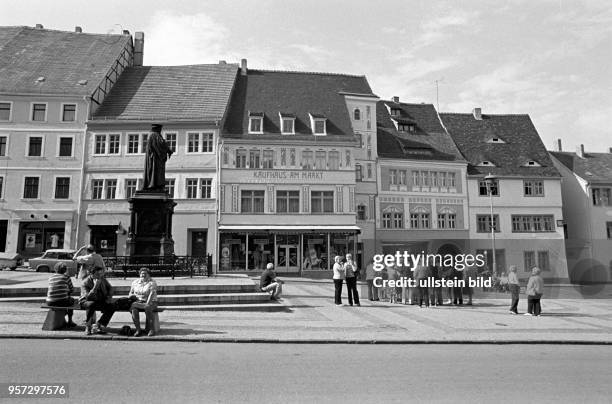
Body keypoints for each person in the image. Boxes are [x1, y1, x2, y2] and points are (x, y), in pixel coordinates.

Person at [79, 267, 115, 335]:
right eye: (97, 274)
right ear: (91, 274)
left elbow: (110, 288)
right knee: (91, 304)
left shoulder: (103, 279)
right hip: (85, 301)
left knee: (112, 306)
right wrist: (95, 287)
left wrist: (109, 297)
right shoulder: (85, 282)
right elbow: (88, 297)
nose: (99, 276)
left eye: (101, 274)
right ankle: (88, 326)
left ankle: (98, 325)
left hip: (99, 300)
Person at [129, 268, 158, 337]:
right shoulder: (135, 282)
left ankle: (151, 329)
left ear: (148, 275)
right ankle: (138, 330)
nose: (143, 275)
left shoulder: (152, 282)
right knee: (134, 310)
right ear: (139, 274)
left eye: (145, 273)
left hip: (151, 302)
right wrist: (131, 296)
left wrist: (147, 304)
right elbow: (130, 293)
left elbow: (151, 294)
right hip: (138, 302)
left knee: (148, 308)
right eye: (142, 273)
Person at [45, 262, 76, 328]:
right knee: (72, 300)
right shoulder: (66, 277)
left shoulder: (51, 277)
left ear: (55, 269)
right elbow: (72, 290)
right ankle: (70, 321)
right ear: (65, 270)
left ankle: (62, 319)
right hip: (62, 301)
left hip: (50, 301)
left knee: (64, 299)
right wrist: (67, 291)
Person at [143, 124, 173, 191]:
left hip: (154, 158)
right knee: (156, 171)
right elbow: (160, 145)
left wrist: (166, 148)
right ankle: (155, 186)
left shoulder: (153, 135)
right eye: (160, 129)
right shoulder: (155, 135)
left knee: (156, 172)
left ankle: (156, 185)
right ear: (157, 129)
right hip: (155, 158)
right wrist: (168, 149)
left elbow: (161, 144)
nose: (160, 130)